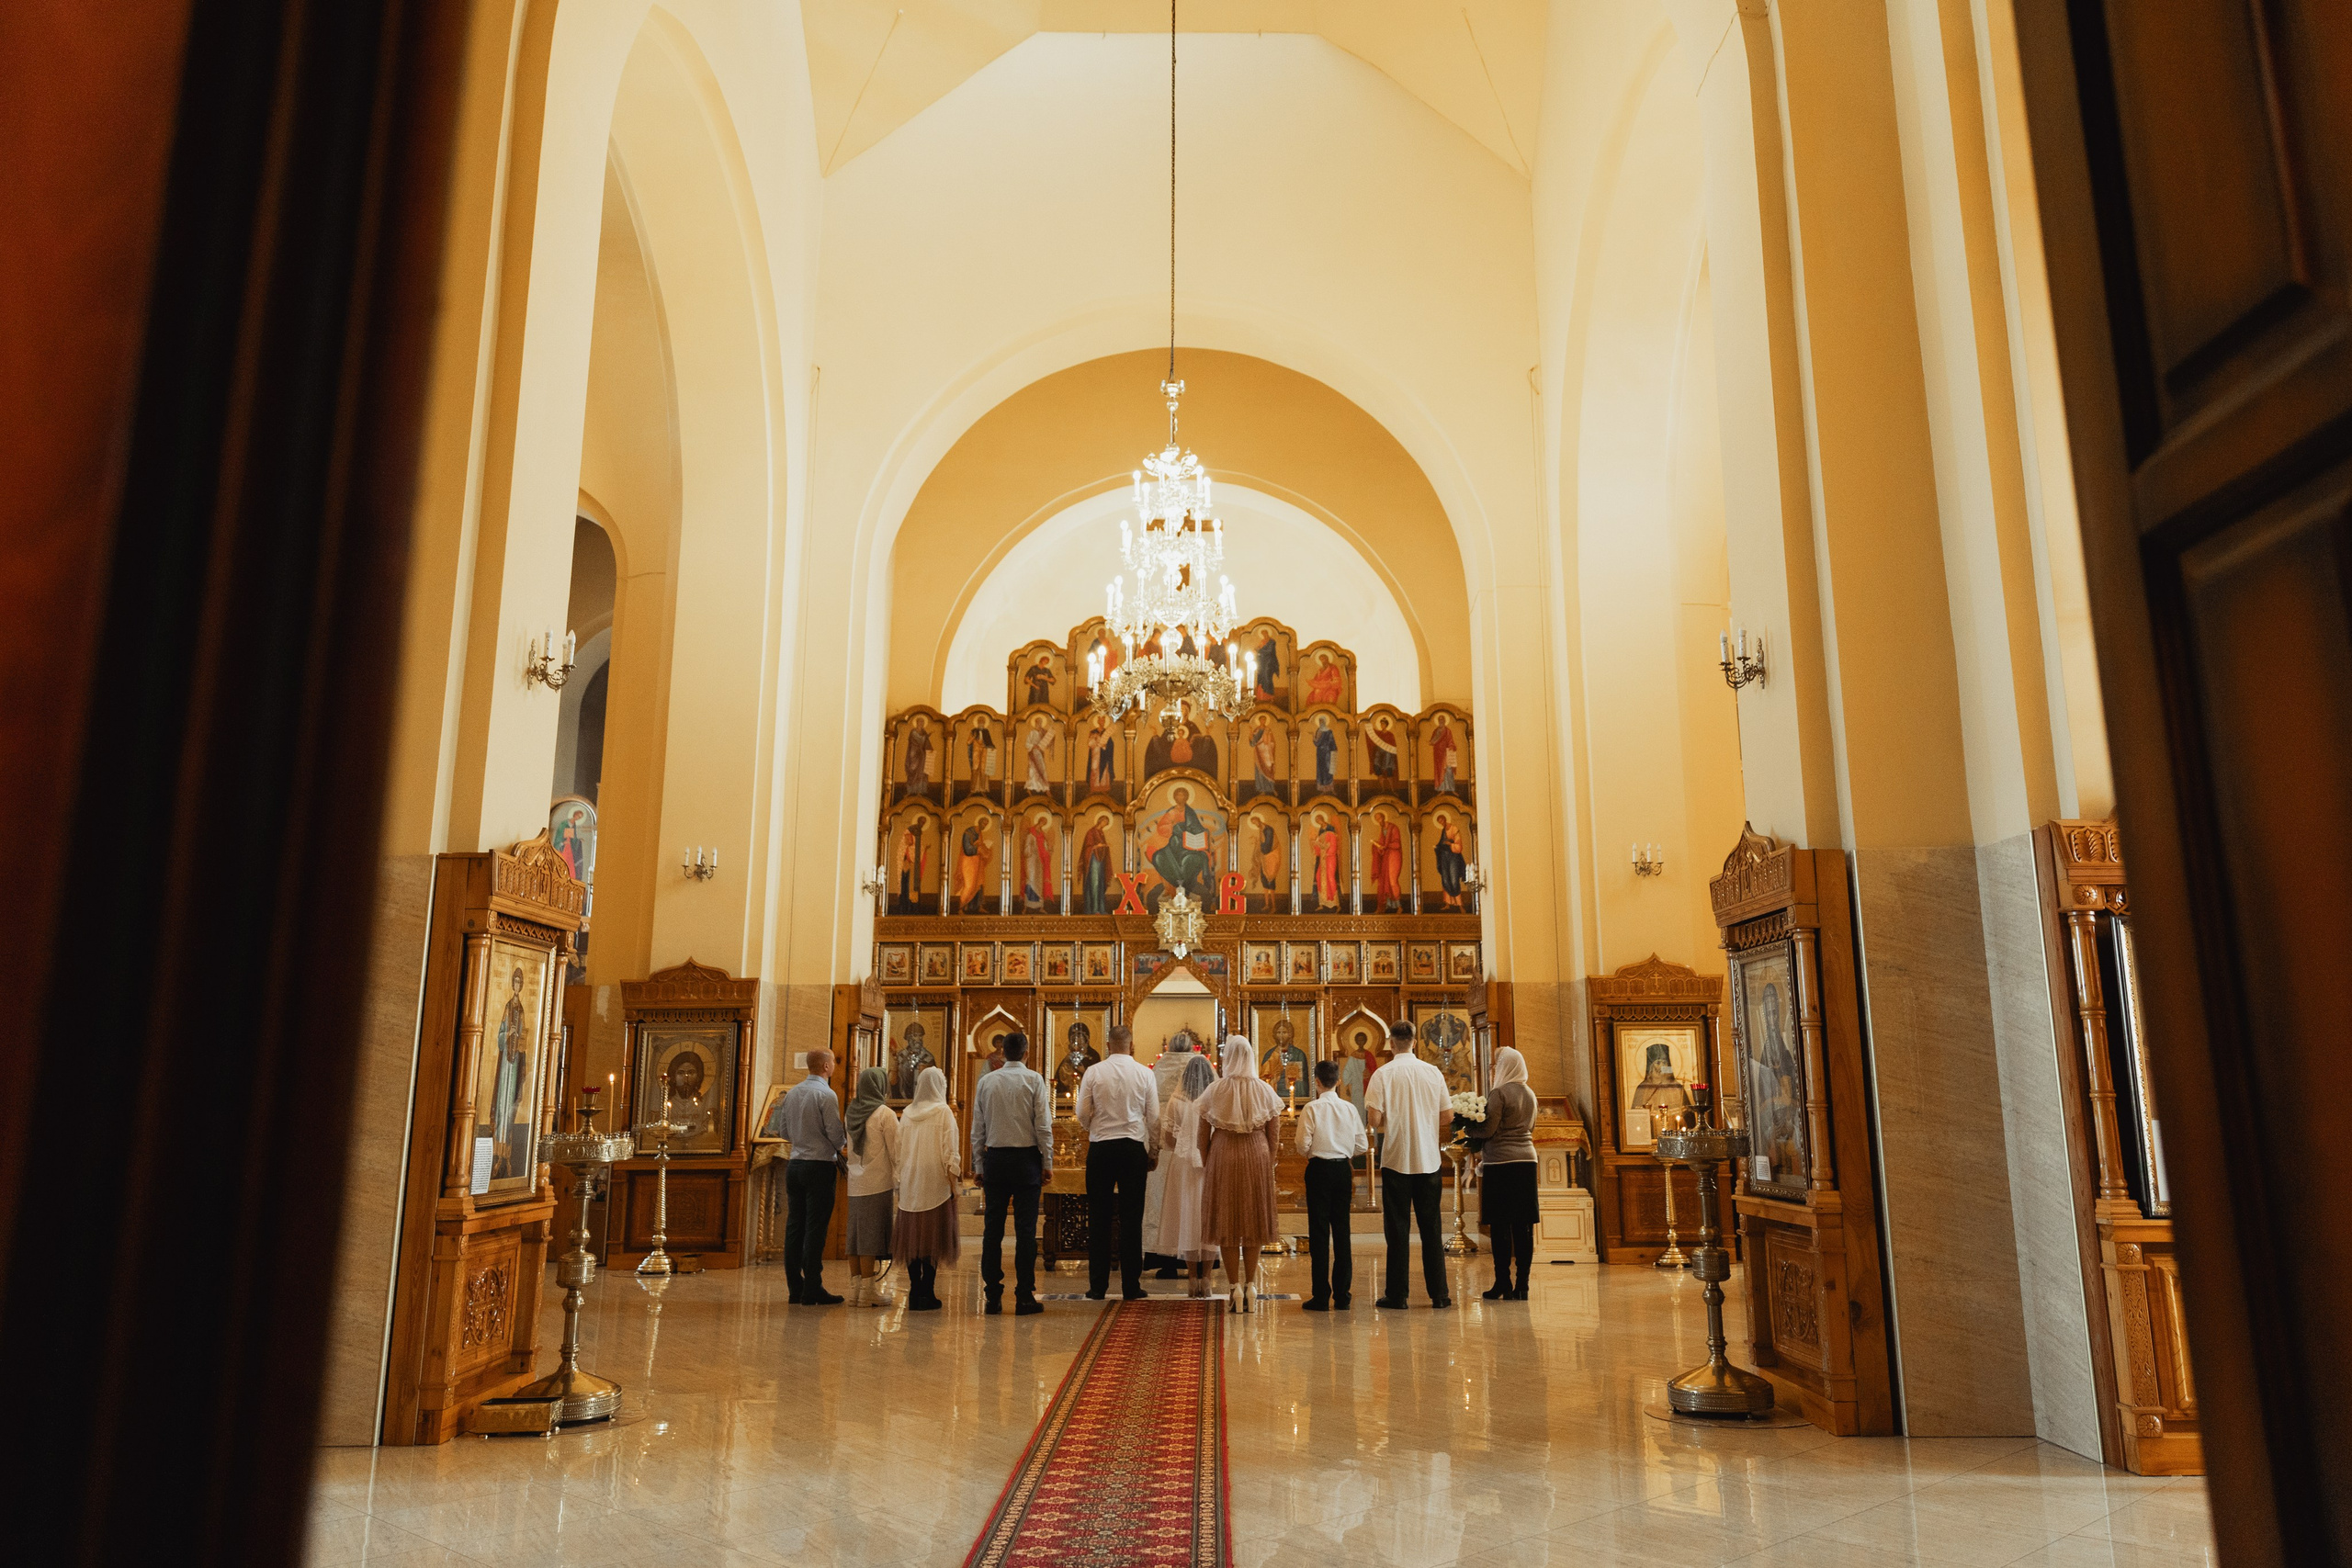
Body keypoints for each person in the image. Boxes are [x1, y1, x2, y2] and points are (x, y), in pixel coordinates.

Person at [1364, 1021, 1453, 1309]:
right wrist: (1424, 1120)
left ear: (1391, 1042)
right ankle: (1439, 1294)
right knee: (1432, 1228)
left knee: (1397, 1229)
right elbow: (1447, 1116)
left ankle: (1398, 1295)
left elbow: (1374, 1120)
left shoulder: (1382, 1074)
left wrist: (1392, 1117)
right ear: (1415, 1041)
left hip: (1396, 1159)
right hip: (1429, 1158)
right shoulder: (1433, 1072)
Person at [1195, 1034, 1283, 1313]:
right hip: (1256, 1153)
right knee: (1253, 1221)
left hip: (1222, 1153)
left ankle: (1233, 1288)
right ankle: (1252, 1286)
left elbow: (1201, 1135)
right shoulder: (1265, 1090)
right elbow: (1274, 1133)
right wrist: (1267, 1160)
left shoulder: (1214, 1090)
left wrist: (1210, 1162)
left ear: (1228, 1058)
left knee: (1228, 1224)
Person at [1073, 1024, 1160, 1301]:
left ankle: (1097, 1287)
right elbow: (1154, 1117)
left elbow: (1082, 1112)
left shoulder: (1094, 1072)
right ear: (1131, 1046)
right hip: (1133, 1148)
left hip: (1101, 1149)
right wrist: (1154, 1150)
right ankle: (1131, 1287)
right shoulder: (1145, 1074)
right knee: (1132, 1219)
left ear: (1109, 1045)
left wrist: (1094, 1128)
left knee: (1098, 1218)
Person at [969, 1031, 1052, 1314]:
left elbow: (977, 1128)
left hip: (996, 1159)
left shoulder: (987, 1081)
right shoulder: (1034, 1080)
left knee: (992, 1231)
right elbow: (1043, 1126)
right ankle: (1025, 1296)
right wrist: (1047, 1162)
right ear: (1026, 1053)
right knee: (1026, 1232)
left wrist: (979, 1165)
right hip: (1027, 1160)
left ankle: (992, 1297)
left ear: (1002, 1052)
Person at [1296, 1058, 1368, 1312]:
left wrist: (1314, 1152)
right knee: (1342, 1231)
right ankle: (1342, 1294)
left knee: (1318, 1233)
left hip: (1318, 1169)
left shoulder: (1312, 1109)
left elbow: (1302, 1145)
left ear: (1316, 1082)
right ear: (1338, 1081)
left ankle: (1320, 1296)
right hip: (1342, 1170)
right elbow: (1362, 1145)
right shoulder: (1349, 1109)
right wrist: (1344, 1152)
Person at [777, 1048, 846, 1305]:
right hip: (819, 1167)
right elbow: (835, 1134)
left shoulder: (793, 1092)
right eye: (833, 1063)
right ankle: (813, 1288)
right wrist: (839, 1144)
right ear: (826, 1066)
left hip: (794, 1165)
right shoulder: (826, 1094)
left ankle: (795, 1288)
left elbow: (784, 1131)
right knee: (815, 1229)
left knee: (795, 1227)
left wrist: (802, 1141)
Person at [892, 1066, 961, 1312]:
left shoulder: (908, 1112)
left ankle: (914, 1291)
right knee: (933, 1239)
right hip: (935, 1182)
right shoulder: (943, 1112)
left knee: (913, 1239)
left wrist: (901, 1178)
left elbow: (899, 1150)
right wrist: (954, 1182)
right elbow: (950, 1150)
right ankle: (928, 1292)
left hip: (911, 1181)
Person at [1478, 1046, 1540, 1301]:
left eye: (1497, 1065)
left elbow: (1488, 1130)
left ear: (1506, 1066)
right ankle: (1522, 1285)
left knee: (1500, 1225)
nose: (1494, 1069)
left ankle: (1502, 1281)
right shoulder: (1530, 1093)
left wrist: (1468, 1131)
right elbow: (1532, 1127)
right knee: (1523, 1226)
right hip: (1527, 1162)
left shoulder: (1499, 1093)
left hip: (1500, 1164)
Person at [1156, 1053, 1219, 1297]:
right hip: (1210, 1161)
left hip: (1182, 1163)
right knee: (1207, 1217)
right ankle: (1207, 1279)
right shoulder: (1214, 1100)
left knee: (1187, 1216)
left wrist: (1183, 1143)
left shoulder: (1176, 1100)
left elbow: (1169, 1139)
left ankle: (1192, 1279)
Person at [1141, 1030, 1198, 1274]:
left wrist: (1152, 1148)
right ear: (1191, 1048)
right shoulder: (1199, 1066)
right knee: (1188, 1202)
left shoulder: (1158, 1069)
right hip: (1193, 1147)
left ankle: (1165, 1262)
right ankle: (1194, 1259)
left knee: (1160, 1203)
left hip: (1164, 1146)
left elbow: (1149, 1110)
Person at [842, 1066, 899, 1309]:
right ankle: (868, 1292)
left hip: (855, 1181)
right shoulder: (884, 1113)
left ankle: (856, 1291)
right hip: (878, 1182)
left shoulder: (851, 1111)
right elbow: (897, 1151)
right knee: (869, 1237)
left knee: (855, 1236)